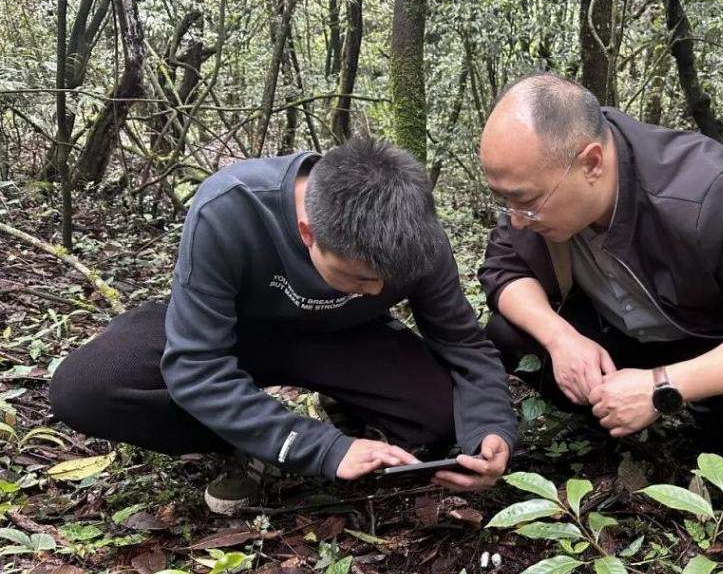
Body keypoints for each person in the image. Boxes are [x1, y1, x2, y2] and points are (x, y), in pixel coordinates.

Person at [50, 137, 516, 513]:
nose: (377, 293)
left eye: (388, 282)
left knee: (441, 418)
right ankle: (245, 444)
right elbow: (196, 364)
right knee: (86, 389)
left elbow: (464, 346)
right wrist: (320, 448)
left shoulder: (418, 236)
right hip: (235, 333)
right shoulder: (231, 207)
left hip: (345, 339)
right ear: (308, 231)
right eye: (360, 278)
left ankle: (343, 404)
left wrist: (490, 431)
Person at [478, 72, 723, 456]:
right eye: (505, 200)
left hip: (711, 342)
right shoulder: (540, 185)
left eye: (525, 201)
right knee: (508, 331)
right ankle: (613, 421)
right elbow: (503, 269)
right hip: (620, 334)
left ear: (592, 163)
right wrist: (561, 339)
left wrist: (662, 386)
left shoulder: (710, 192)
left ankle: (703, 430)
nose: (515, 219)